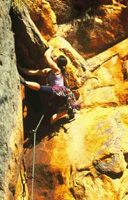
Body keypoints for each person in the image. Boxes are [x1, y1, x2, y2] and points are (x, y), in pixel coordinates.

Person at [19, 45, 80, 124]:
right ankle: (67, 111)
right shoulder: (48, 71)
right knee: (49, 121)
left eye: (56, 57)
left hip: (60, 91)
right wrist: (20, 69)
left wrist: (50, 48)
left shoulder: (56, 69)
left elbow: (46, 55)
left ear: (56, 61)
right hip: (58, 95)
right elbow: (33, 72)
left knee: (40, 88)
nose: (54, 57)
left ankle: (24, 82)